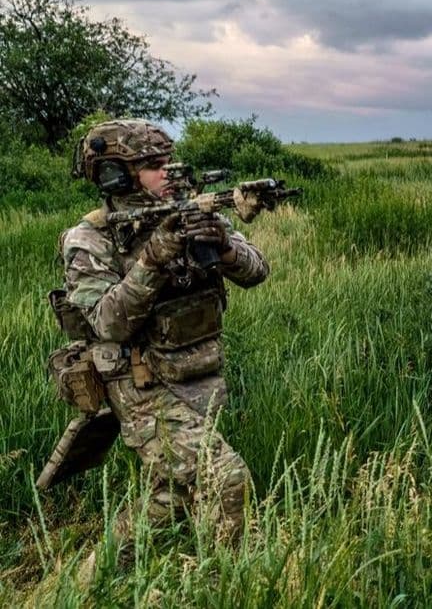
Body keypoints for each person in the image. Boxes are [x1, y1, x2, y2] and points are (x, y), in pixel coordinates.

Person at [55, 119, 268, 571]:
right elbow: (107, 323)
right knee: (226, 480)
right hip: (138, 381)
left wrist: (225, 248)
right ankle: (234, 585)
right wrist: (154, 258)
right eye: (152, 164)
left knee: (169, 498)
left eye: (169, 160)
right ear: (115, 175)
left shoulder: (190, 209)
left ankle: (85, 584)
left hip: (193, 372)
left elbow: (256, 271)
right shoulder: (90, 239)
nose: (168, 171)